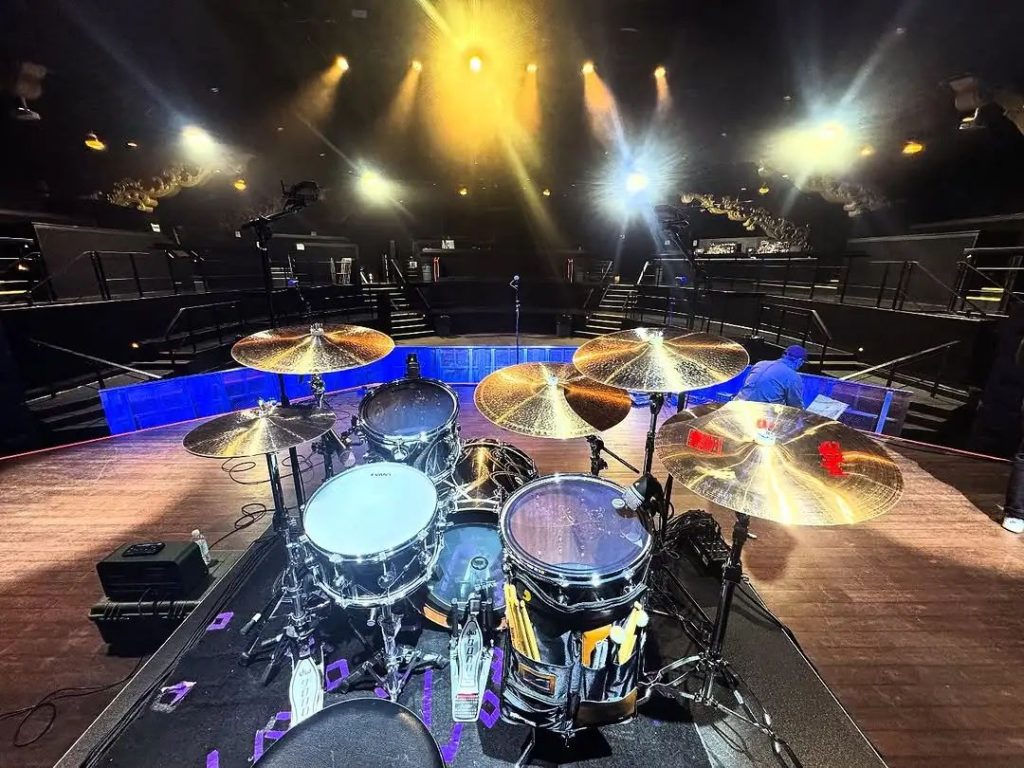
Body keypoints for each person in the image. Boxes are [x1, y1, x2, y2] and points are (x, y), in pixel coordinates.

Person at [734, 345, 806, 408]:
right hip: (760, 414)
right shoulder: (793, 376)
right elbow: (795, 405)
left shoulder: (760, 364)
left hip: (736, 405)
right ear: (799, 361)